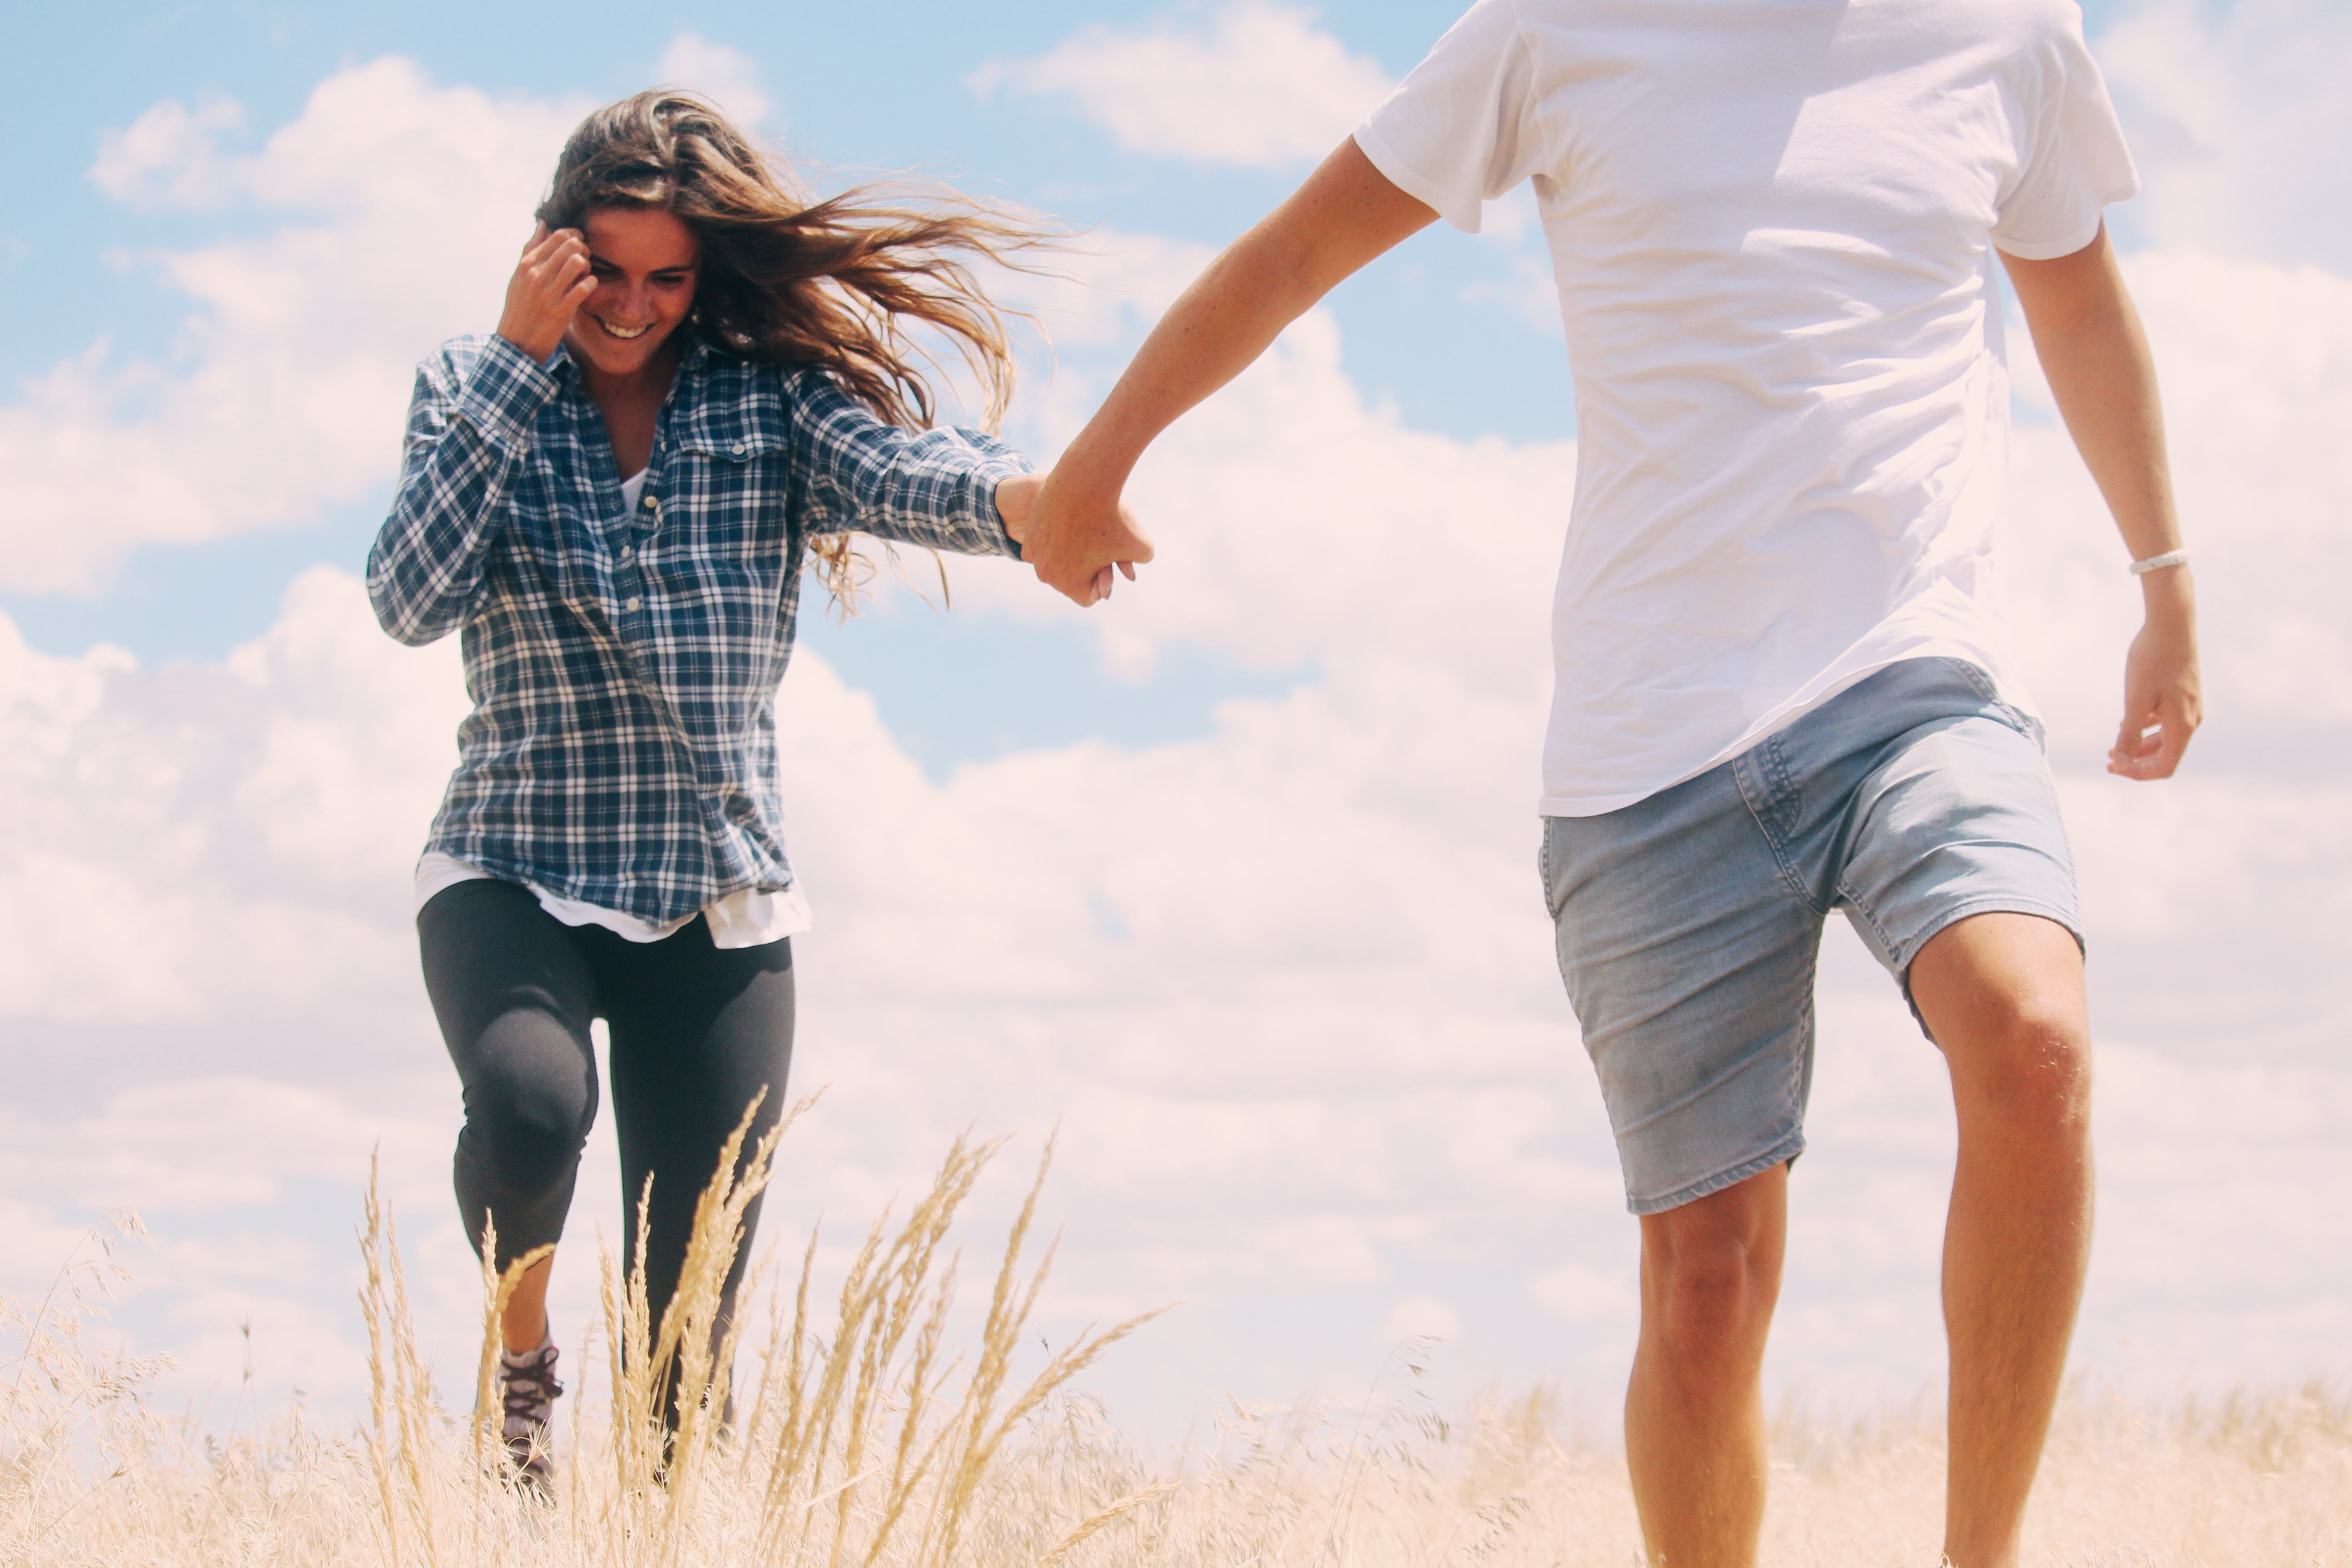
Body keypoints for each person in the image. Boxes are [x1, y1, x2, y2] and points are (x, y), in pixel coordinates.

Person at [1018, 2, 2196, 1564]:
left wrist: (2165, 581)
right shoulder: (1553, 30)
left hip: (1915, 678)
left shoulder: (2002, 36)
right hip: (1651, 743)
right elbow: (1297, 254)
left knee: (2035, 1039)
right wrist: (1098, 462)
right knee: (1707, 1282)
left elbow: (2080, 306)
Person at [367, 91, 1087, 1489]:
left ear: (706, 280)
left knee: (683, 1366)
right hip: (514, 857)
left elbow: (906, 472)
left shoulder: (767, 406)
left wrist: (1039, 504)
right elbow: (408, 596)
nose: (633, 306)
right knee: (527, 1107)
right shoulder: (471, 385)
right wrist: (521, 361)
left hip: (716, 891)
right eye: (604, 270)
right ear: (547, 252)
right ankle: (523, 1368)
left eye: (668, 277)